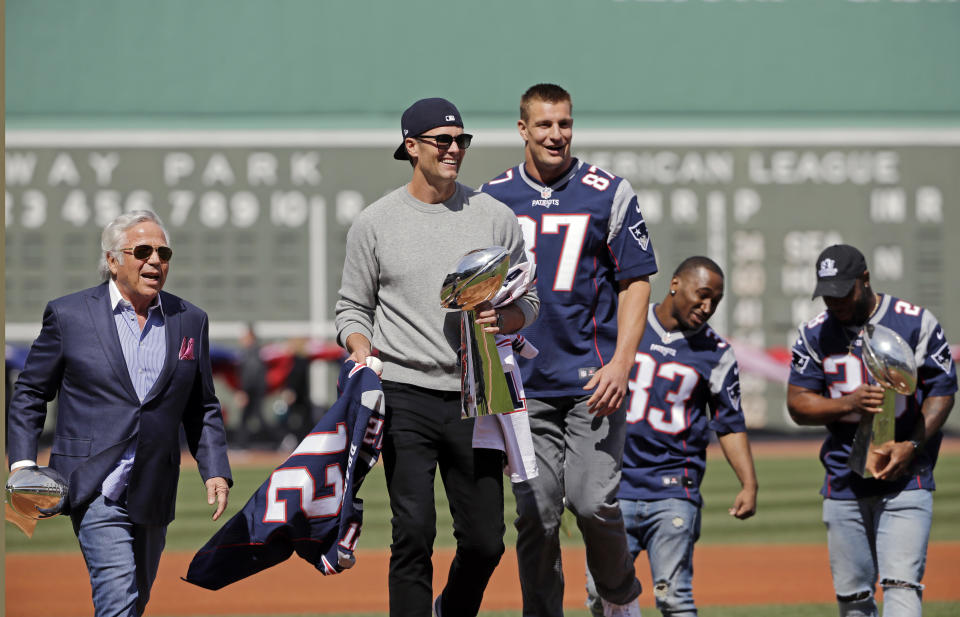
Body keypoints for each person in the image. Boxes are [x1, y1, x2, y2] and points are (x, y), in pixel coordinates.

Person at [335, 97, 540, 617]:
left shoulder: (494, 217)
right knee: (413, 533)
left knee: (485, 541)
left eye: (461, 141)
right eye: (442, 141)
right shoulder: (375, 222)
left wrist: (507, 320)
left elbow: (529, 300)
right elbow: (352, 308)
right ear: (411, 147)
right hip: (404, 393)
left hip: (479, 392)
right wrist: (362, 352)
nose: (455, 150)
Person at [480, 83, 657, 617]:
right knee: (535, 513)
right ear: (522, 130)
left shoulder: (610, 192)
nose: (556, 135)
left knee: (593, 501)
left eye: (565, 124)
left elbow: (638, 281)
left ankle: (618, 597)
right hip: (520, 387)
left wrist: (623, 363)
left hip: (592, 383)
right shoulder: (492, 197)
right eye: (544, 125)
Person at [7, 210, 232, 617]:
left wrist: (214, 468)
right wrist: (23, 464)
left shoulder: (190, 320)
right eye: (142, 251)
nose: (155, 261)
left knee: (135, 600)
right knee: (118, 599)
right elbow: (31, 391)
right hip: (93, 483)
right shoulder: (69, 315)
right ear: (112, 260)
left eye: (163, 252)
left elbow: (202, 406)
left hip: (154, 486)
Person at [787, 244, 956, 617]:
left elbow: (942, 391)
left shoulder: (914, 321)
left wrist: (911, 444)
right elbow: (798, 403)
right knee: (853, 598)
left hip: (907, 477)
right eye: (827, 294)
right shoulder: (814, 333)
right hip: (844, 477)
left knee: (902, 585)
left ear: (864, 280)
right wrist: (848, 403)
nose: (835, 302)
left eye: (843, 292)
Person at [586, 256, 758, 617]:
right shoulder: (624, 322)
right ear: (675, 284)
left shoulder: (717, 352)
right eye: (702, 295)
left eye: (716, 301)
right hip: (613, 485)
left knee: (673, 597)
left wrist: (748, 483)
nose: (707, 307)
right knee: (601, 599)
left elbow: (729, 422)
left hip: (673, 486)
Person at [234, 322, 267, 447]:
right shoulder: (253, 352)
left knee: (256, 417)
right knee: (248, 417)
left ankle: (283, 439)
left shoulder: (251, 352)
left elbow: (250, 374)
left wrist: (243, 391)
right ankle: (241, 445)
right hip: (253, 389)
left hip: (252, 390)